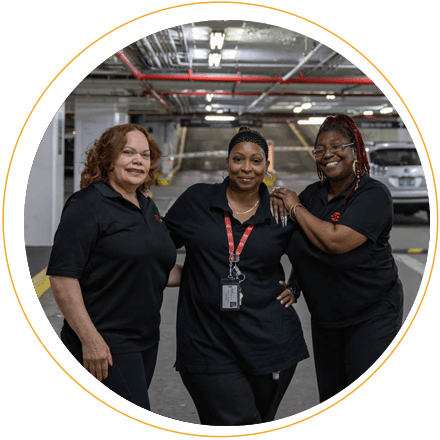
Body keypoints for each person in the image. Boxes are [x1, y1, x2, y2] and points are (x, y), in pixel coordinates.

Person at [164, 126, 309, 426]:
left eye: (256, 161)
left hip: (270, 343)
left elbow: (311, 256)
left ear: (267, 166)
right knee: (238, 422)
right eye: (238, 159)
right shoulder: (197, 201)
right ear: (227, 162)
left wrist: (295, 286)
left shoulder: (279, 209)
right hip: (207, 342)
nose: (246, 168)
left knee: (256, 423)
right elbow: (156, 247)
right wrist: (180, 275)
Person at [271, 114, 404, 403]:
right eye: (319, 149)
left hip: (372, 315)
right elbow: (306, 245)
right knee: (331, 399)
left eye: (335, 146)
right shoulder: (312, 196)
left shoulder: (373, 195)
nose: (327, 154)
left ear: (355, 149)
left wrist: (294, 208)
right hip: (327, 318)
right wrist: (295, 285)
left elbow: (334, 241)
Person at [47, 123, 179, 410]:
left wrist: (210, 270)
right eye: (128, 152)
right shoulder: (87, 205)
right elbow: (61, 277)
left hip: (145, 339)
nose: (138, 161)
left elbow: (157, 269)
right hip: (106, 342)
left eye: (144, 155)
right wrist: (90, 340)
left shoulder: (146, 206)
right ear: (107, 159)